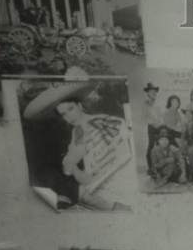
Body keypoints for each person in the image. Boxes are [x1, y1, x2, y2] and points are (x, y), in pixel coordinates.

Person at [22, 67, 132, 211]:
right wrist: (72, 167)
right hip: (101, 189)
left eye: (71, 109)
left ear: (79, 105)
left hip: (122, 177)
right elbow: (86, 178)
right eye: (63, 114)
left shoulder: (103, 121)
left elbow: (121, 151)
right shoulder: (75, 136)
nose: (69, 117)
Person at [142, 82, 163, 173]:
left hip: (159, 126)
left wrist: (160, 123)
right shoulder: (145, 103)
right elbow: (145, 117)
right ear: (148, 93)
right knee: (151, 145)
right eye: (151, 91)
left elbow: (160, 115)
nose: (153, 93)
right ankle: (150, 167)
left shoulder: (158, 102)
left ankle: (159, 166)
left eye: (154, 91)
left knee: (160, 145)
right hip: (151, 127)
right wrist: (153, 124)